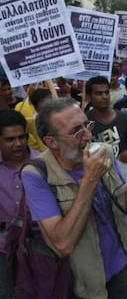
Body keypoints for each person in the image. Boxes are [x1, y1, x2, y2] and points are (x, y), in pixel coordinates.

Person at [20, 97, 127, 298]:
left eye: (86, 125)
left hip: (120, 264)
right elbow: (63, 244)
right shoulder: (35, 174)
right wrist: (90, 179)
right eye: (76, 131)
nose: (88, 136)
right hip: (78, 282)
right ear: (51, 142)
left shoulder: (103, 152)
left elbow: (123, 199)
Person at [0, 110, 38, 299]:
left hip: (39, 249)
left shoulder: (43, 163)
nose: (18, 144)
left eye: (21, 137)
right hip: (3, 251)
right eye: (10, 139)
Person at [85, 76, 127, 163]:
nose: (104, 97)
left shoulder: (124, 118)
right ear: (89, 97)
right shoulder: (84, 121)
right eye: (99, 93)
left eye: (107, 92)